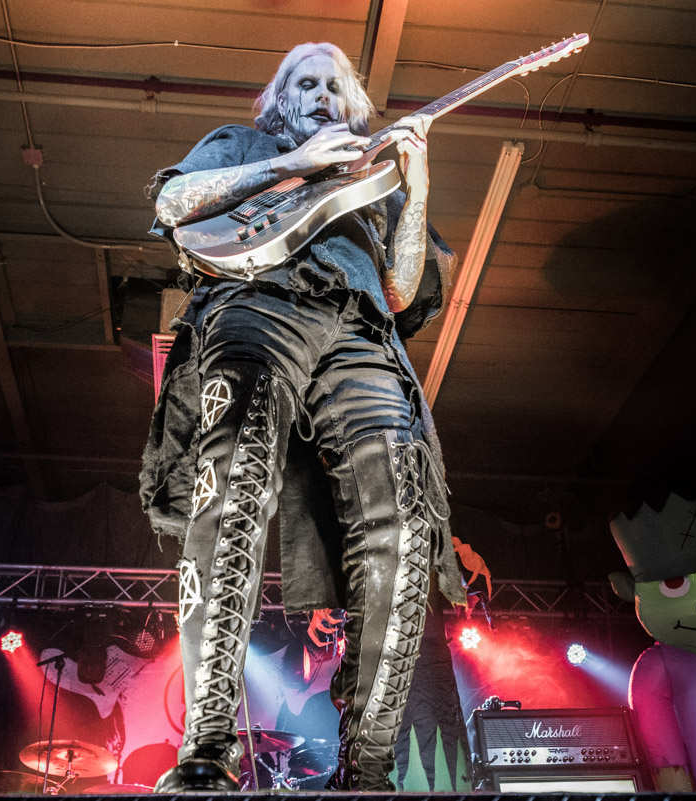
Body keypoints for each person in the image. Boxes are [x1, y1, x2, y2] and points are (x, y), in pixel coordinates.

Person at [139, 41, 466, 792]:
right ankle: (207, 745)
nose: (322, 94)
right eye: (306, 82)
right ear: (282, 98)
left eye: (334, 85)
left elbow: (398, 291)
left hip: (359, 328)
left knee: (403, 512)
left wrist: (415, 186)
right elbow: (173, 205)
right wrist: (295, 163)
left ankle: (367, 767)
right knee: (236, 475)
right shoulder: (243, 143)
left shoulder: (370, 177)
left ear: (353, 104)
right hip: (256, 301)